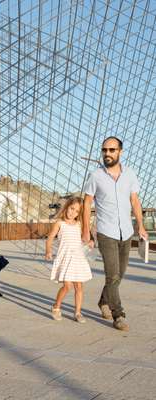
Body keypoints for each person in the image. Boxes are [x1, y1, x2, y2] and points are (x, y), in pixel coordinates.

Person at [82, 136, 148, 331]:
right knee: (112, 275)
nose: (107, 154)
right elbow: (87, 203)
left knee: (119, 275)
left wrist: (141, 226)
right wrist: (86, 230)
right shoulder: (96, 176)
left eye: (111, 150)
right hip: (105, 232)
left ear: (120, 151)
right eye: (104, 150)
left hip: (126, 231)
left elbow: (135, 201)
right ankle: (118, 314)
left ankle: (103, 301)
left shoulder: (130, 175)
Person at [46, 196, 93, 323]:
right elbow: (50, 237)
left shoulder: (78, 224)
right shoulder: (59, 223)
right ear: (67, 207)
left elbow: (84, 239)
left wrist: (89, 242)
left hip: (78, 258)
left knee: (79, 286)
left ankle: (78, 312)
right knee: (67, 286)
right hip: (65, 258)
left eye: (77, 211)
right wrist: (48, 251)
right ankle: (56, 307)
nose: (73, 213)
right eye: (72, 209)